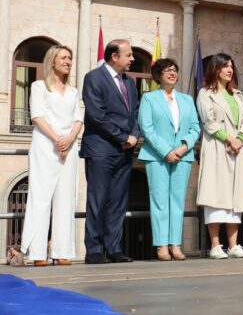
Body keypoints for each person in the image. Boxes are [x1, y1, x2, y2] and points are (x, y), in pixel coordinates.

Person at [21, 45, 82, 266]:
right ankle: (37, 253)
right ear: (52, 61)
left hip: (69, 148)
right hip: (46, 146)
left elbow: (78, 119)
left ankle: (62, 250)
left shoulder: (74, 91)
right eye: (63, 57)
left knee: (65, 199)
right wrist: (58, 139)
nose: (68, 61)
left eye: (70, 58)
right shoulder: (39, 87)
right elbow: (37, 116)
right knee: (40, 197)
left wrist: (68, 140)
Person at [81, 39, 140, 264]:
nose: (132, 59)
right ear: (114, 56)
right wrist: (123, 137)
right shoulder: (93, 78)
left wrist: (134, 136)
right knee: (98, 199)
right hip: (101, 149)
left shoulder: (131, 83)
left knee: (118, 201)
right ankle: (94, 250)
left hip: (124, 151)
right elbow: (97, 114)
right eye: (129, 55)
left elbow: (134, 113)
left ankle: (114, 248)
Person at [138, 58, 201, 261]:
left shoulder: (187, 99)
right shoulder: (149, 98)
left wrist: (183, 147)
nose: (172, 73)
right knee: (159, 202)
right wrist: (167, 151)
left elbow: (195, 127)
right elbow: (146, 128)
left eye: (174, 70)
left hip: (183, 156)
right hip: (157, 156)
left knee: (177, 202)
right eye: (167, 70)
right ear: (158, 75)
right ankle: (161, 245)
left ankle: (175, 244)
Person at [196, 53, 243, 259]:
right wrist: (229, 138)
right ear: (216, 69)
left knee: (235, 196)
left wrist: (240, 139)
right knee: (215, 195)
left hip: (237, 149)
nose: (230, 70)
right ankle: (215, 245)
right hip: (218, 147)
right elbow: (208, 122)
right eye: (225, 66)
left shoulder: (238, 95)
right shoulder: (205, 93)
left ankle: (234, 244)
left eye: (231, 66)